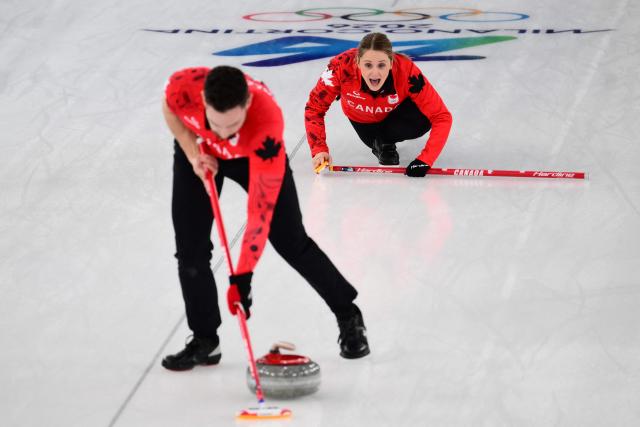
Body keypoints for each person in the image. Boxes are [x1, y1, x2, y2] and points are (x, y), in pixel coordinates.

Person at [161, 66, 370, 371]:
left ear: (246, 105)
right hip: (202, 152)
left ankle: (348, 315)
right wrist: (194, 154)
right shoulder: (183, 87)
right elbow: (170, 110)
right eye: (217, 124)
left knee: (289, 240)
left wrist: (242, 277)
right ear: (203, 100)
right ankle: (205, 340)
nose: (224, 134)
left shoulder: (266, 123)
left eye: (232, 125)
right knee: (190, 249)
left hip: (254, 155)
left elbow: (259, 214)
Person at [305, 32, 452, 177]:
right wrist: (319, 151)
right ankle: (381, 143)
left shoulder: (406, 70)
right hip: (365, 125)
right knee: (375, 139)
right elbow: (314, 108)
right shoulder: (340, 67)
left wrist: (425, 160)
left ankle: (386, 141)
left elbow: (441, 116)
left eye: (381, 65)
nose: (375, 73)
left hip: (396, 116)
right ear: (357, 62)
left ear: (391, 63)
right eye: (368, 65)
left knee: (425, 118)